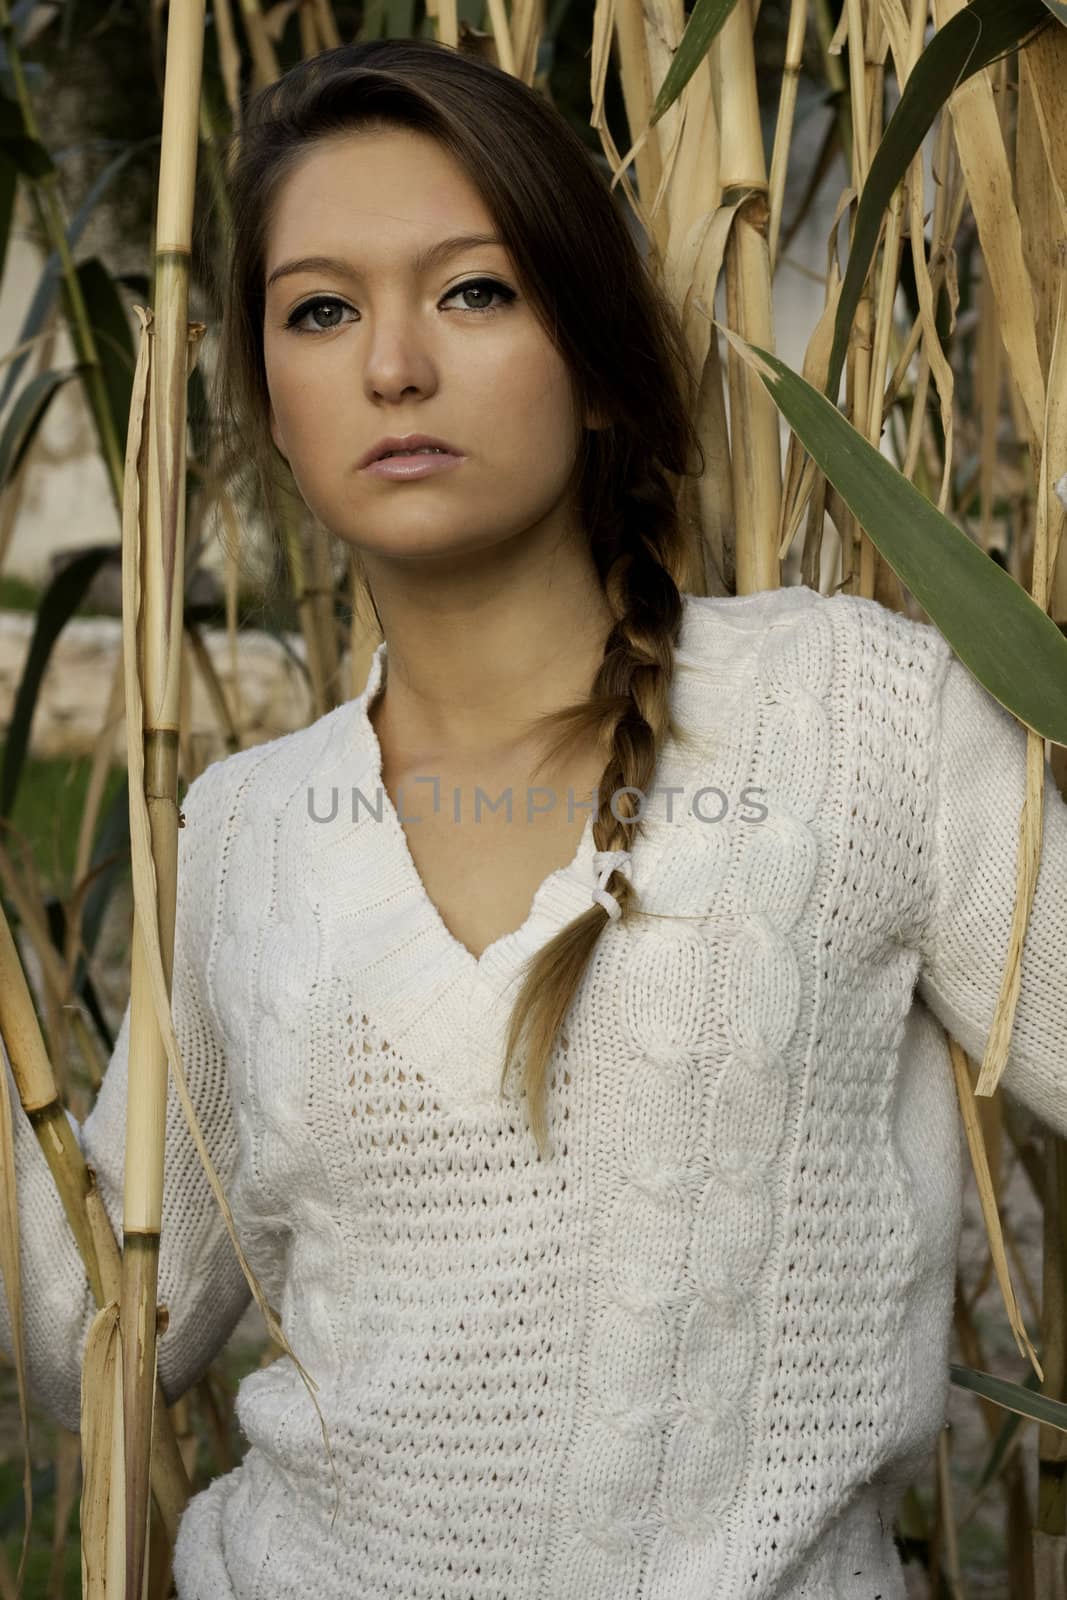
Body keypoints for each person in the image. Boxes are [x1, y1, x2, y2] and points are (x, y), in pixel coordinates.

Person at [2, 36, 1066, 1600]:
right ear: (270, 399)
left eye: (474, 291)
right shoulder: (237, 836)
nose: (392, 367)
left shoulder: (860, 716)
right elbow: (94, 1332)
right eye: (320, 311)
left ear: (594, 350)